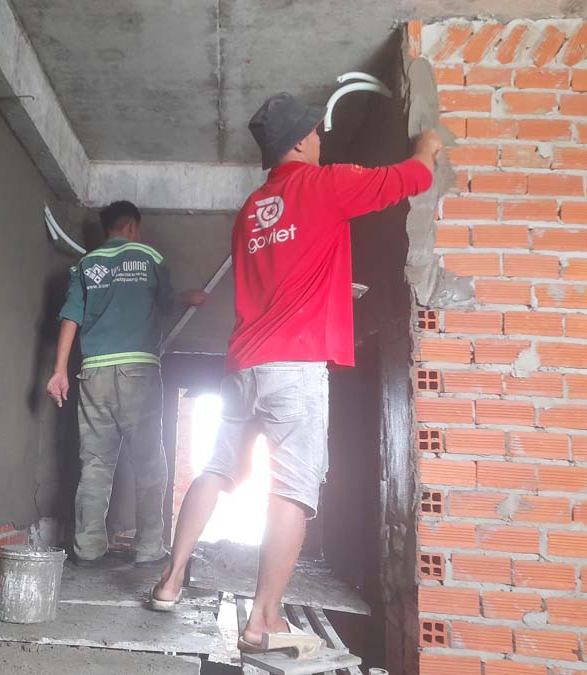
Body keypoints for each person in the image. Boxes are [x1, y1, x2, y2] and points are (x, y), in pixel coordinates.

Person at [148, 93, 442, 655]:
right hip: (295, 366)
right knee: (292, 489)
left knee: (217, 468)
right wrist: (427, 146)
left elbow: (283, 269)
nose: (321, 140)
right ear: (303, 139)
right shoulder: (324, 184)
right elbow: (407, 180)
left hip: (243, 365)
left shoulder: (251, 210)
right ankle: (264, 621)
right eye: (317, 132)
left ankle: (170, 579)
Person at [47, 200, 207, 567]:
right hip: (139, 371)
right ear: (133, 226)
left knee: (95, 464)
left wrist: (59, 370)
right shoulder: (149, 256)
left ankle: (87, 549)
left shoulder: (86, 265)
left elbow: (71, 316)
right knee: (148, 461)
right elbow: (166, 304)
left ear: (107, 229)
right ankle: (149, 547)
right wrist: (189, 298)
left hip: (93, 372)